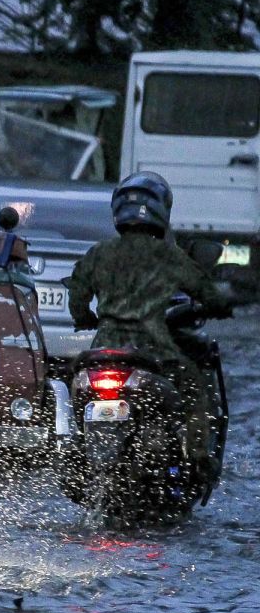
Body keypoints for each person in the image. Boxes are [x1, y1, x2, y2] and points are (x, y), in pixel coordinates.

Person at [64, 171, 230, 474]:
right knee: (193, 386)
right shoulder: (169, 256)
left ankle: (79, 450)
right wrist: (222, 306)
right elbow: (207, 293)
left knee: (73, 383)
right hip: (155, 351)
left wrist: (84, 318)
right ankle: (197, 459)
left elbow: (77, 295)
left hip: (103, 349)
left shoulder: (100, 252)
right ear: (161, 210)